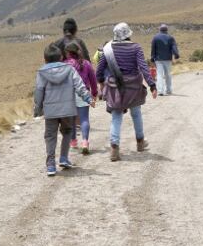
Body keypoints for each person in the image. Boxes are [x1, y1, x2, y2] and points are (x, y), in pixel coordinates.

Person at [96, 22, 157, 162]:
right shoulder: (136, 48)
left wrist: (101, 83)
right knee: (136, 114)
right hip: (134, 87)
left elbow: (99, 70)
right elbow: (143, 67)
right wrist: (152, 85)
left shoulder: (107, 49)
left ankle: (114, 148)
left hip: (115, 87)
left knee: (116, 117)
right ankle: (140, 142)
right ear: (128, 34)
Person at [34, 43, 93, 176]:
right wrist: (88, 98)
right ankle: (64, 158)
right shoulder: (70, 69)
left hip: (50, 111)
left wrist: (37, 109)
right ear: (61, 57)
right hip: (67, 110)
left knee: (50, 136)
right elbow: (80, 85)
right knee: (67, 132)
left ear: (45, 59)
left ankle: (50, 165)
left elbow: (38, 91)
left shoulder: (42, 73)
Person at [65, 42, 97, 155]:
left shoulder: (65, 64)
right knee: (84, 119)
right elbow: (93, 79)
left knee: (72, 119)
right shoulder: (86, 63)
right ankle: (85, 142)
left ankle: (73, 142)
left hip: (68, 94)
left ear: (68, 53)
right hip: (83, 92)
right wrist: (94, 93)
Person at [150, 24, 180, 96]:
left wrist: (152, 57)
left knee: (160, 75)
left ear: (160, 29)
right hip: (167, 59)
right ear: (167, 30)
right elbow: (174, 47)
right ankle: (169, 90)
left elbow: (153, 48)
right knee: (168, 75)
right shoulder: (170, 38)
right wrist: (176, 55)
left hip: (158, 59)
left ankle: (160, 91)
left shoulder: (155, 37)